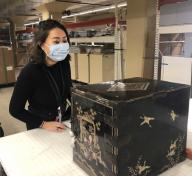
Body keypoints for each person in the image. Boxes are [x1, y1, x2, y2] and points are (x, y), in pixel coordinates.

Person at [9, 19, 72, 132]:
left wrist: (76, 108)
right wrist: (43, 124)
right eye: (56, 42)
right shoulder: (30, 71)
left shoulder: (64, 64)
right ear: (41, 44)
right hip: (39, 126)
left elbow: (68, 90)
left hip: (62, 122)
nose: (62, 45)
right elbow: (15, 110)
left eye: (65, 40)